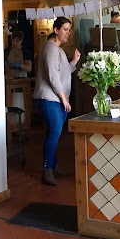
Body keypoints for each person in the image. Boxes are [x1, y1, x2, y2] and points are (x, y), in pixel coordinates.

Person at [33, 17, 80, 186]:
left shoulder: (58, 50)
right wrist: (63, 98)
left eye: (69, 29)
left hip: (56, 99)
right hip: (50, 99)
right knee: (54, 133)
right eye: (65, 29)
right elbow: (53, 77)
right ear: (56, 30)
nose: (68, 32)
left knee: (54, 133)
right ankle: (47, 171)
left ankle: (53, 166)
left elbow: (64, 71)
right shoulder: (50, 49)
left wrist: (74, 61)